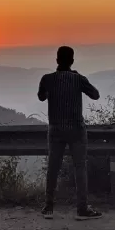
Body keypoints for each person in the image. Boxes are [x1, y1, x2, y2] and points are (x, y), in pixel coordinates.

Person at [37, 46, 103, 220]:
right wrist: (76, 76)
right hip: (76, 128)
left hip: (56, 128)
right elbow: (95, 95)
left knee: (53, 167)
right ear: (72, 61)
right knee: (80, 167)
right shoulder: (78, 79)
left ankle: (48, 206)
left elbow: (41, 97)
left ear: (57, 60)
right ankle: (82, 208)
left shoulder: (47, 79)